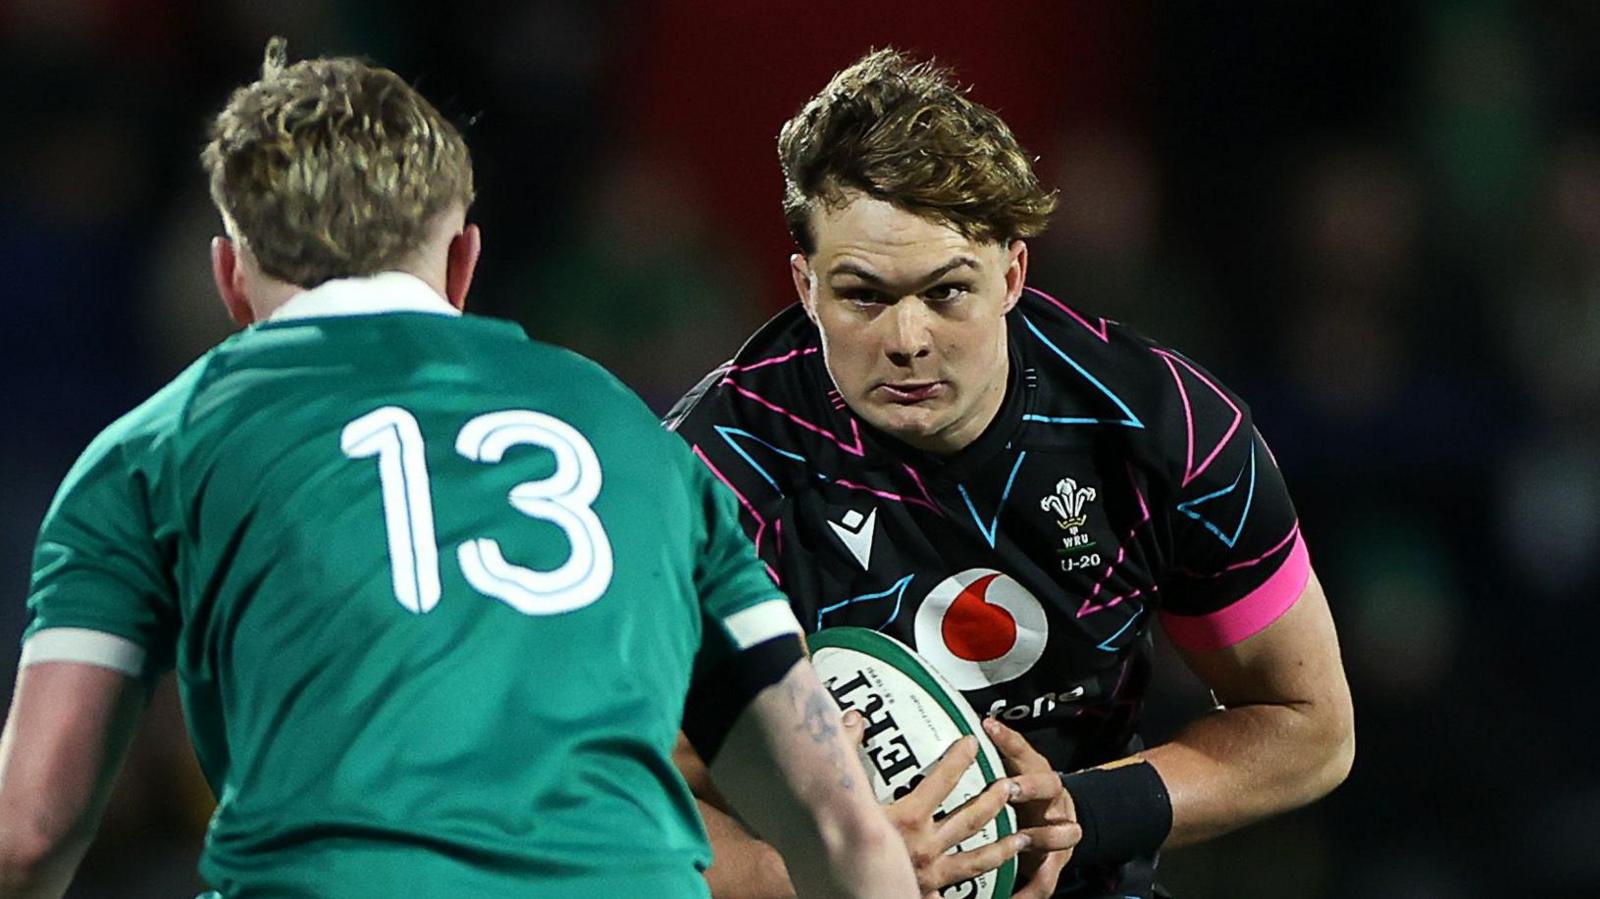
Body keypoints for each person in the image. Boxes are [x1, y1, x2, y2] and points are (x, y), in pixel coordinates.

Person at [0, 41, 921, 899]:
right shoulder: (638, 435)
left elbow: (33, 830)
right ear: (465, 261)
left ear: (229, 276)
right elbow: (843, 833)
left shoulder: (149, 450)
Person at [666, 49, 1356, 899]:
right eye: (863, 295)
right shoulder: (706, 478)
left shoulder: (1163, 427)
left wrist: (1084, 810)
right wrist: (827, 872)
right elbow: (613, 775)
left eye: (947, 291)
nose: (907, 338)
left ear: (1012, 274)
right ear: (805, 287)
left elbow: (1308, 726)